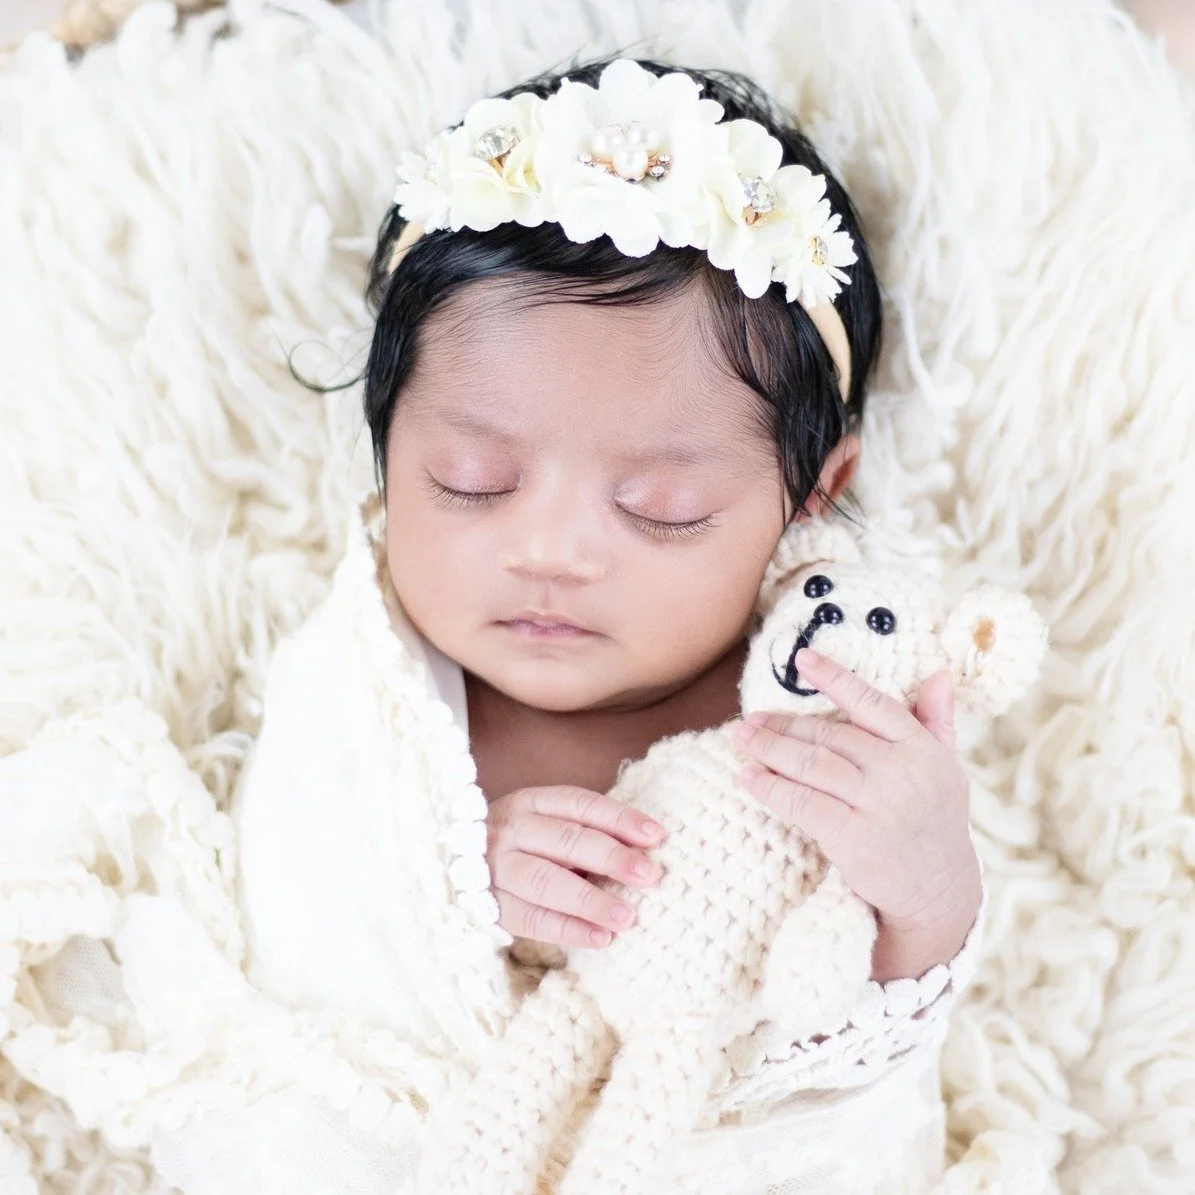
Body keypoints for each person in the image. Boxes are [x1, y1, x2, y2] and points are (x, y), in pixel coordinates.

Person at [0, 54, 988, 1195]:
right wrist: (446, 884)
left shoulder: (812, 701)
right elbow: (291, 879)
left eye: (659, 508)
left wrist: (924, 884)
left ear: (811, 493)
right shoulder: (369, 689)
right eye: (471, 480)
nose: (551, 551)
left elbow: (864, 1046)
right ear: (387, 452)